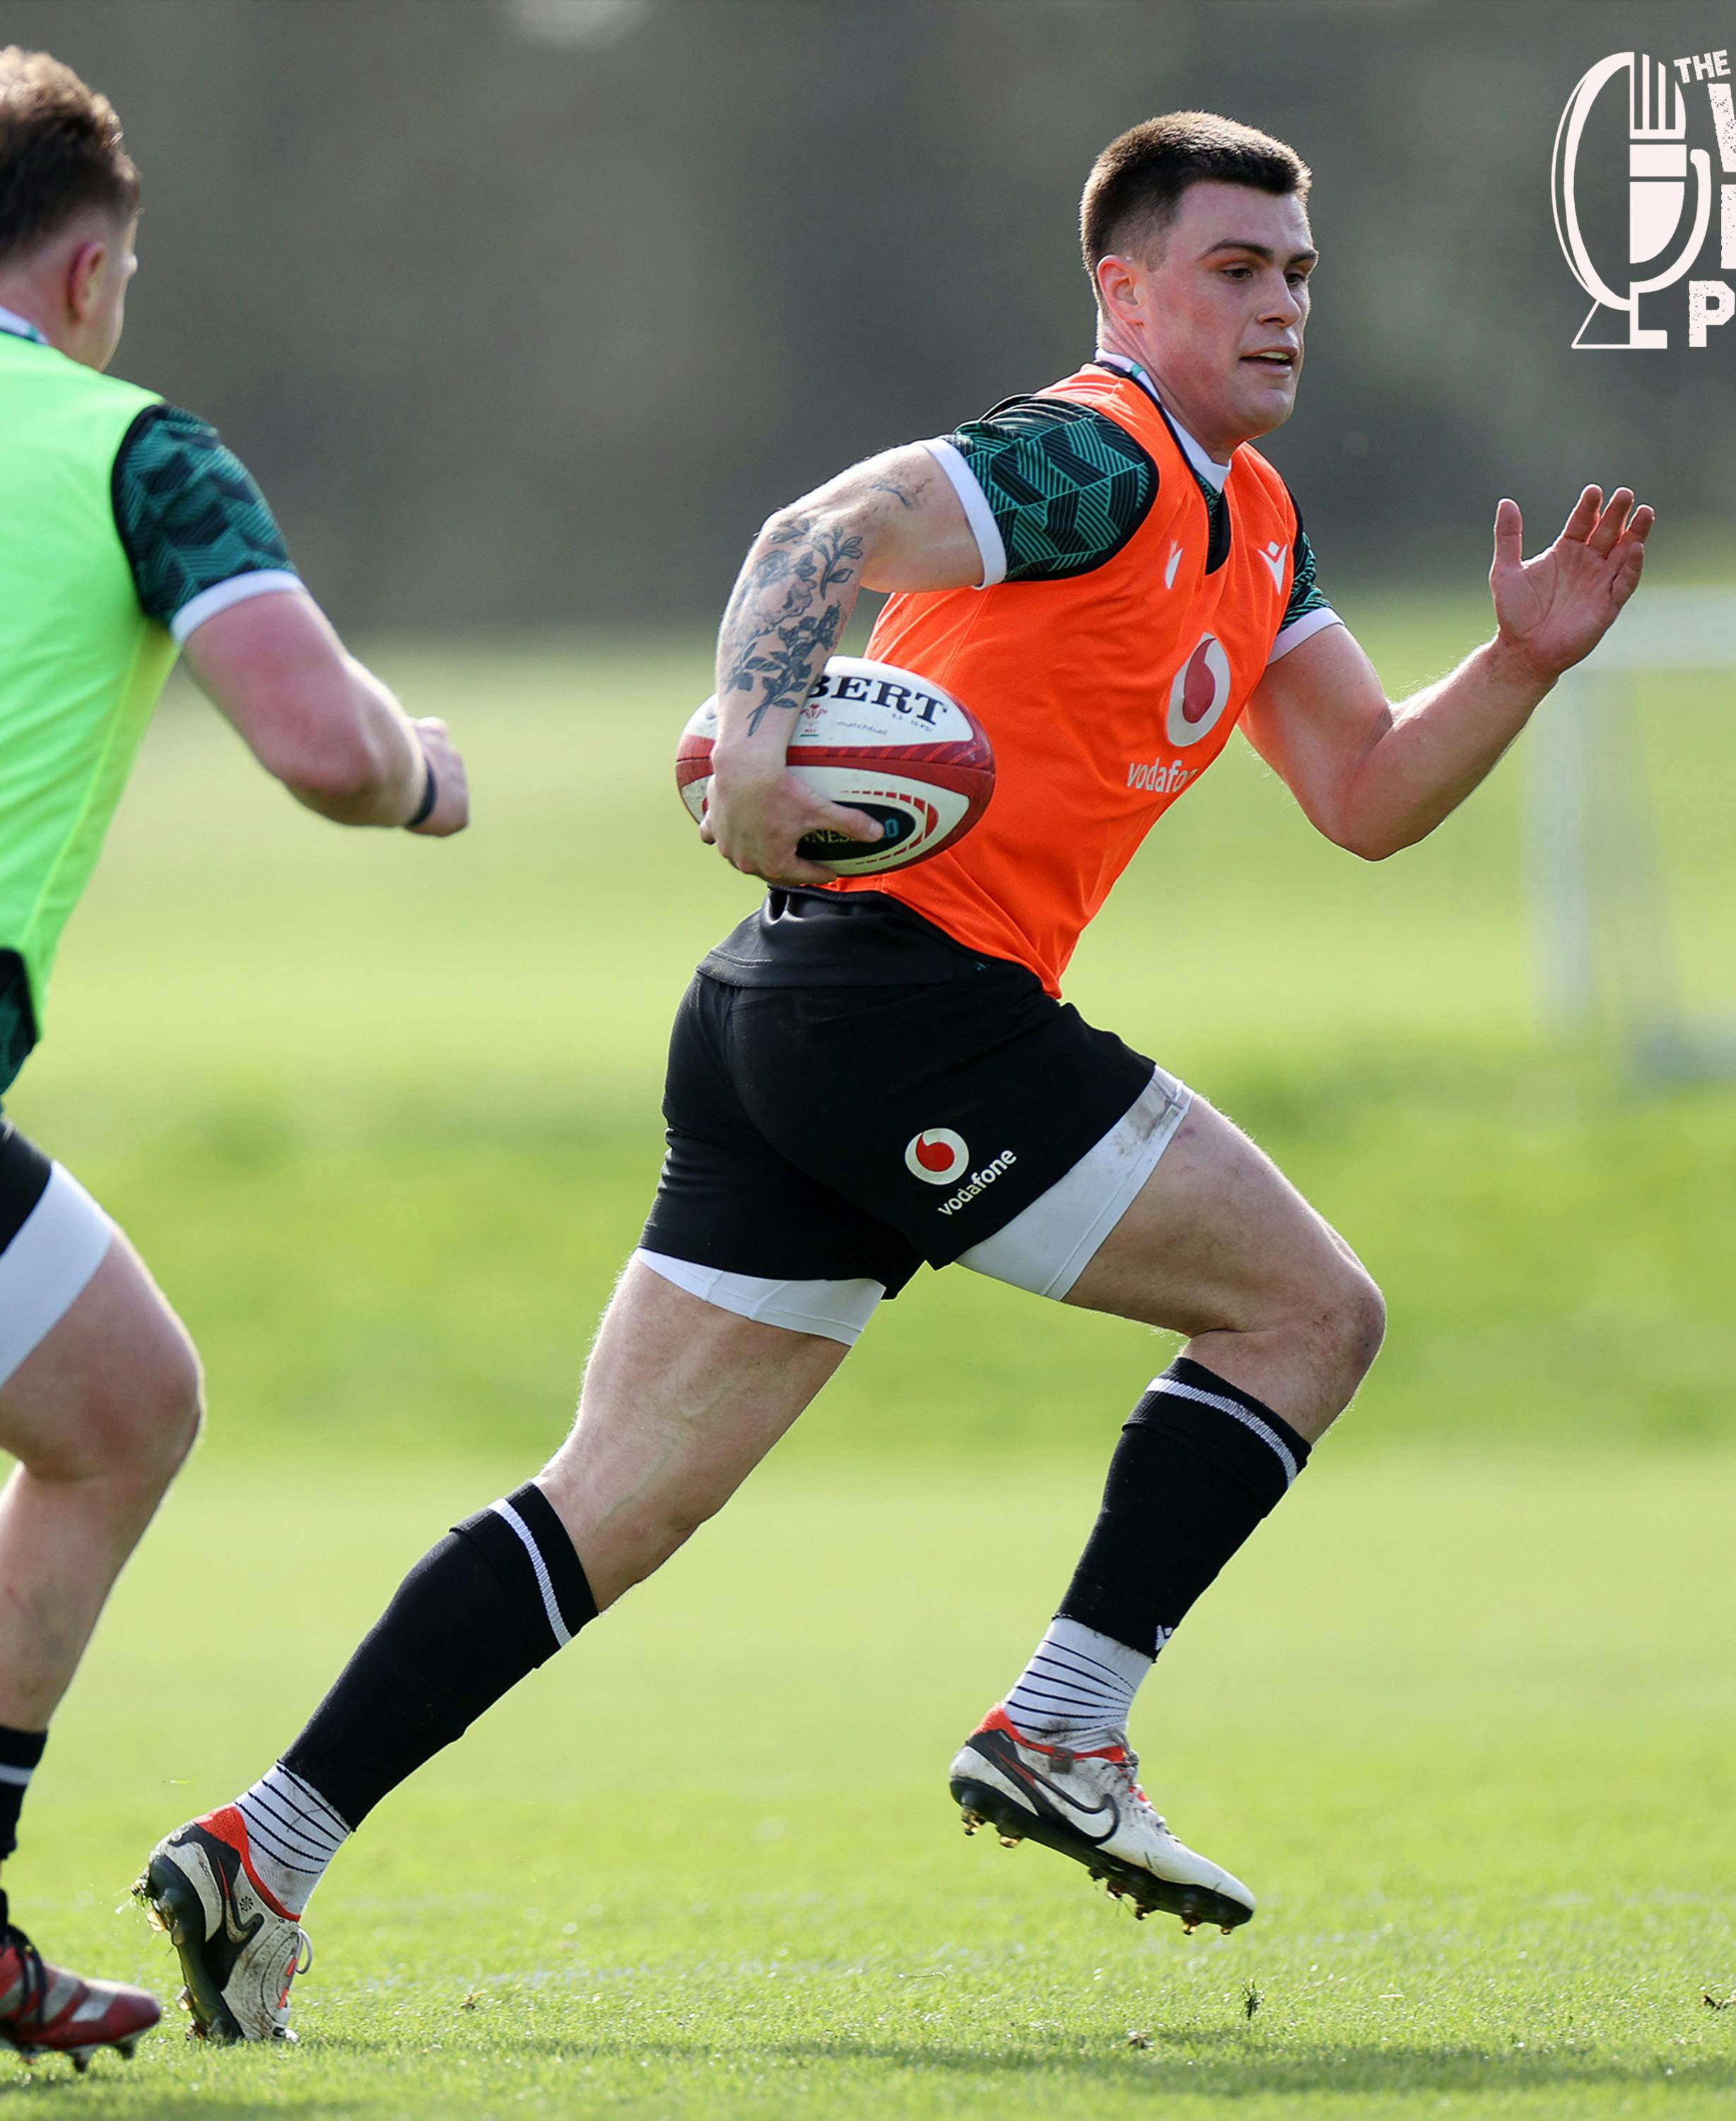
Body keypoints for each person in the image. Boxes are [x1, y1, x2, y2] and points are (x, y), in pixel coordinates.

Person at [141, 110, 1650, 2042]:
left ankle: (260, 1851)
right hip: (909, 1011)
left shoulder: (1257, 523)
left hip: (804, 1019)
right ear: (1125, 291)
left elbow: (1361, 792)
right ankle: (1065, 1725)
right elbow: (813, 539)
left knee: (615, 1503)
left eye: (1297, 274)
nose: (1281, 306)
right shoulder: (1093, 452)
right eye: (1234, 270)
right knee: (1310, 1315)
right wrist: (761, 747)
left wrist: (1518, 668)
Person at [0, 47, 469, 2066]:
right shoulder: (133, 451)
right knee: (120, 1413)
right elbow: (317, 742)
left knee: (117, 1396)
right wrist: (422, 771)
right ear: (90, 270)